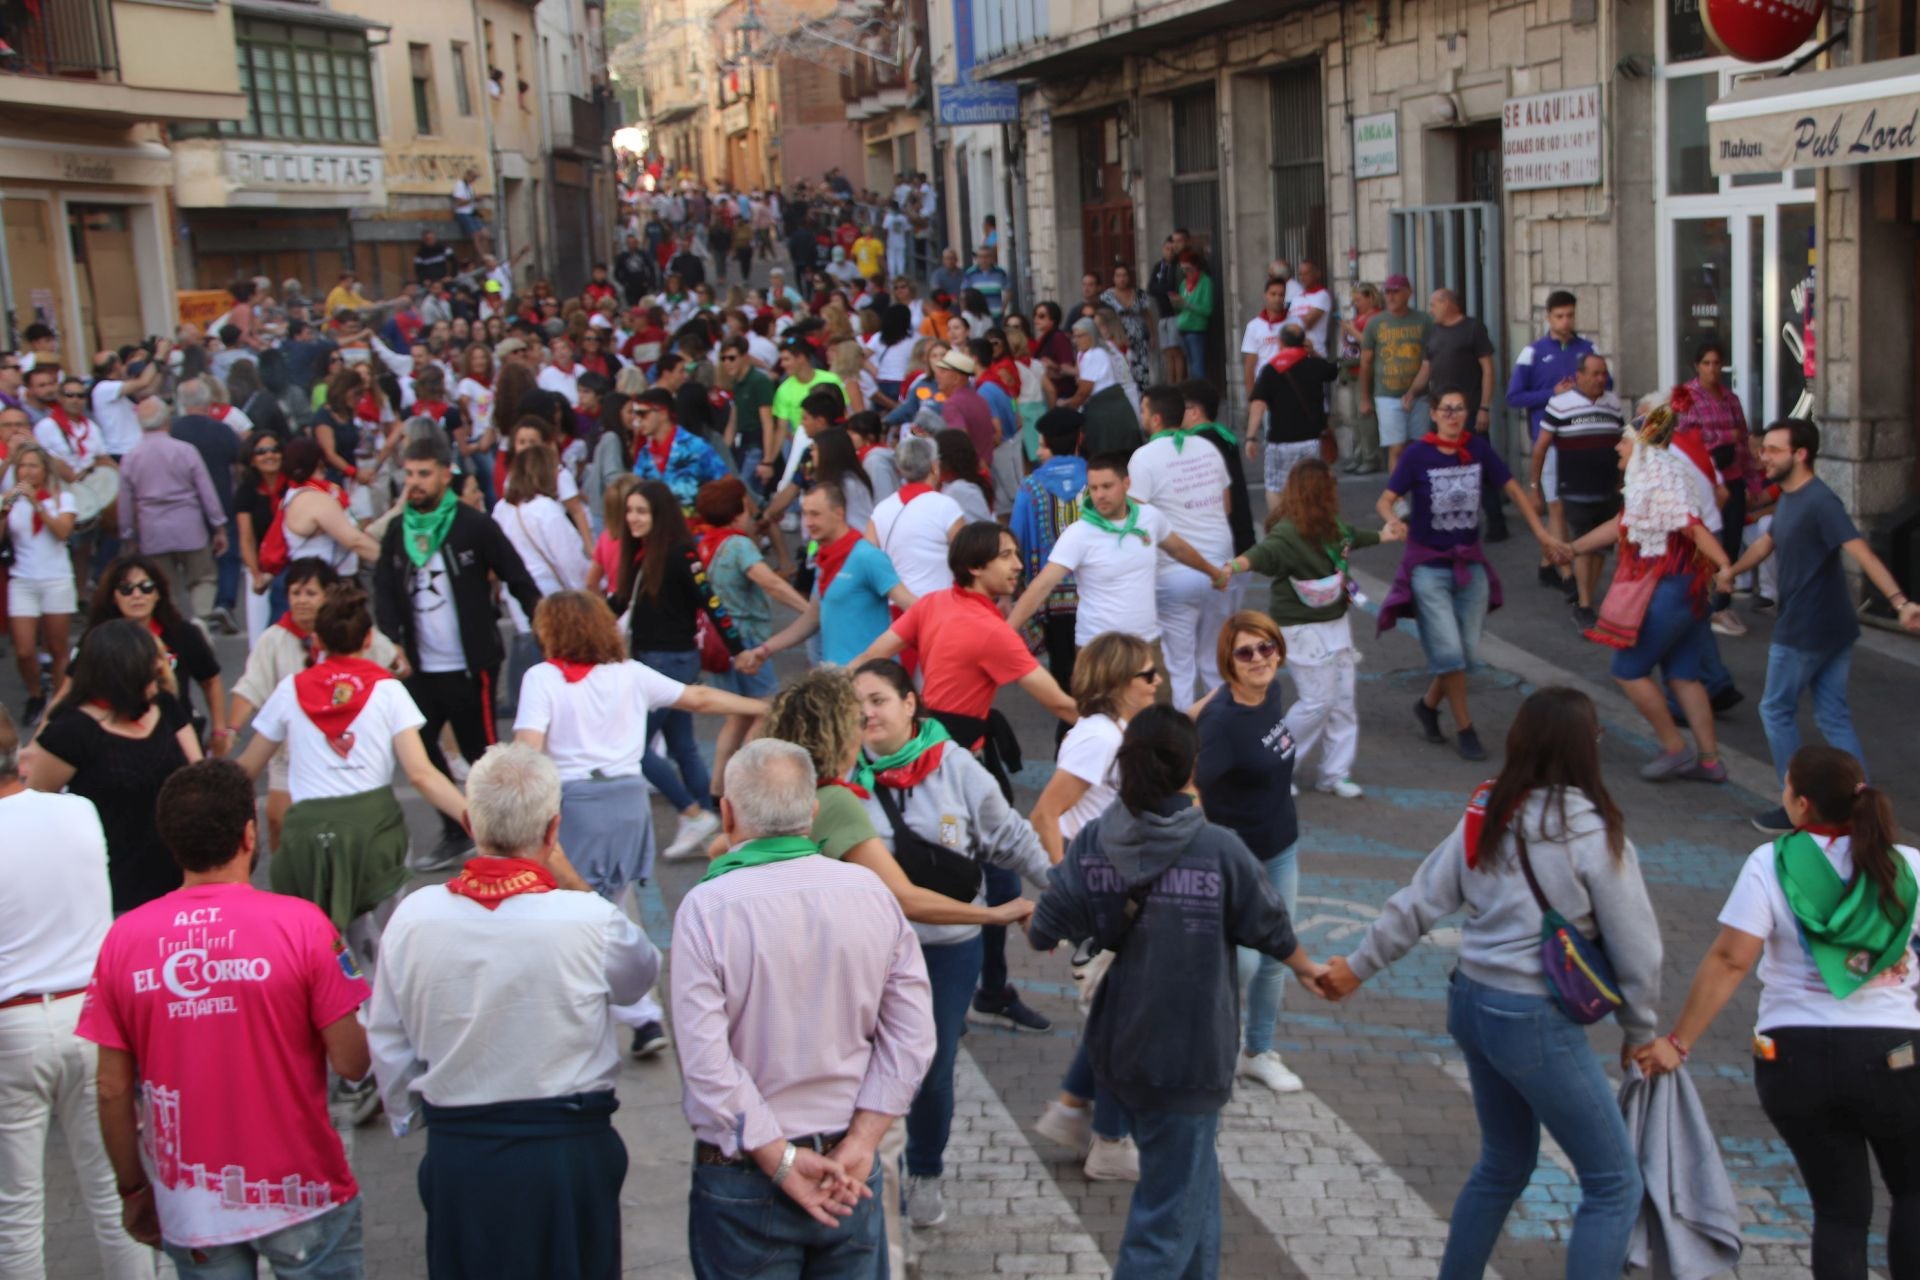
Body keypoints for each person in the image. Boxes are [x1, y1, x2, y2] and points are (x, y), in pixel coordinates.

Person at [1322, 687, 1661, 1280]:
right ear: (1587, 749)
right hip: (1535, 1020)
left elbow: (1423, 898)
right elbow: (1640, 949)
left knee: (1503, 1164)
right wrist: (1640, 1029)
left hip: (1471, 1001)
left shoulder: (1486, 810)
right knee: (1613, 1184)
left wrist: (1358, 965)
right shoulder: (1594, 833)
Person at [1028, 706, 1329, 1277]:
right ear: (1192, 769)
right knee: (1163, 1221)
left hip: (1120, 1049)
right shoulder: (1219, 849)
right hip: (1191, 1055)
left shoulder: (1095, 839)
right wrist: (1310, 970)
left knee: (1195, 1185)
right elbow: (1271, 928)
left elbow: (1046, 926)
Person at [367, 744, 660, 1280]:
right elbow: (638, 978)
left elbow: (387, 1037)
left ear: (469, 820)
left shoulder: (414, 917)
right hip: (568, 1151)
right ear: (554, 832)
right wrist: (574, 882)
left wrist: (410, 1114)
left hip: (463, 1149)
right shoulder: (588, 919)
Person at [78, 759, 372, 1280]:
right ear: (250, 833)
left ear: (170, 842)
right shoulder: (302, 925)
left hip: (192, 1208)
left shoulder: (123, 942)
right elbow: (352, 1063)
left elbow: (110, 1088)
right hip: (302, 1190)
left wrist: (133, 1188)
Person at [1637, 745, 1920, 1279]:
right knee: (1912, 1192)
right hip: (1895, 1054)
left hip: (1793, 1057)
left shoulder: (1770, 863)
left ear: (1803, 804)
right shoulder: (1908, 867)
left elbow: (1729, 959)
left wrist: (1677, 1043)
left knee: (1839, 1212)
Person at [671, 737, 937, 1277]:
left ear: (727, 813)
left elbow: (706, 1060)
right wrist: (864, 1140)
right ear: (812, 812)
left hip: (744, 1174)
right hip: (848, 1165)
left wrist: (778, 1156)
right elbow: (912, 1036)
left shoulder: (708, 907)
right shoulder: (869, 892)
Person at [513, 590, 767, 1058]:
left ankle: (598, 1014)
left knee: (572, 910)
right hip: (628, 804)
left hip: (573, 804)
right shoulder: (628, 675)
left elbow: (528, 748)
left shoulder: (543, 678)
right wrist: (763, 707)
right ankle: (641, 1012)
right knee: (612, 903)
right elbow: (700, 697)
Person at [849, 660, 1052, 1231]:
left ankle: (926, 1168)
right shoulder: (841, 774)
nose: (867, 712)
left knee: (931, 1066)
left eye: (879, 699)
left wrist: (1061, 898)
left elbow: (1011, 838)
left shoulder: (958, 770)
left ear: (910, 704)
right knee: (856, 1062)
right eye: (857, 702)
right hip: (866, 951)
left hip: (945, 948)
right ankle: (861, 1166)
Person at [235, 582, 466, 970]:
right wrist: (471, 816)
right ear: (369, 638)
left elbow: (247, 768)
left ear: (317, 640)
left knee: (314, 952)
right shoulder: (388, 690)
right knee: (385, 946)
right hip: (373, 829)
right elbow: (422, 774)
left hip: (306, 835)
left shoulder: (291, 689)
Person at [0, 705, 154, 1280]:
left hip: (13, 1027)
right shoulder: (79, 812)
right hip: (92, 1017)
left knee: (16, 1211)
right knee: (117, 1192)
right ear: (20, 758)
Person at [1717, 419, 1920, 831]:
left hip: (1806, 628)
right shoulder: (1790, 496)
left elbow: (1860, 551)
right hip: (1832, 627)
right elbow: (1766, 542)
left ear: (1800, 454)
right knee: (1832, 716)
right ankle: (1861, 808)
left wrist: (1900, 602)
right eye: (1764, 449)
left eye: (1773, 450)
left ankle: (1798, 804)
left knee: (1775, 709)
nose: (1763, 457)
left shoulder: (1820, 501)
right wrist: (1730, 572)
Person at [372, 435, 543, 870]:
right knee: (423, 750)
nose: (415, 483)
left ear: (447, 474)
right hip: (417, 668)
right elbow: (385, 592)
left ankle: (511, 837)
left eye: (424, 473)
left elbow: (516, 575)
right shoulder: (397, 532)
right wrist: (392, 639)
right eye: (409, 474)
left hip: (471, 666)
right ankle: (457, 830)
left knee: (482, 756)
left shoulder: (473, 525)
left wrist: (545, 625)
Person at [1375, 387, 1565, 761]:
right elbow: (1385, 499)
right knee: (1450, 653)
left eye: (1459, 408)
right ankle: (1466, 728)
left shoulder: (1477, 448)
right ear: (1433, 414)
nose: (1452, 414)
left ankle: (1428, 706)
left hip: (1469, 563)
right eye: (1446, 409)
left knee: (1464, 653)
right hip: (1428, 566)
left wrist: (1542, 533)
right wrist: (1392, 520)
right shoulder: (1417, 454)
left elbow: (1511, 488)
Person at [1227, 459, 1405, 799]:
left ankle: (1334, 774)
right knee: (1316, 702)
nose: (1335, 489)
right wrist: (1232, 567)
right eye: (1330, 484)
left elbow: (1352, 538)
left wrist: (1384, 535)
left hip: (1334, 622)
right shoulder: (1288, 532)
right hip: (1300, 628)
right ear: (1318, 491)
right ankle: (1273, 767)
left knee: (1342, 701)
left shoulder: (1329, 524)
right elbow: (1260, 554)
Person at [1187, 611, 1310, 1095]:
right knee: (1242, 965)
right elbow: (1190, 781)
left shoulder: (1270, 692)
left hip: (1281, 846)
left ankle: (1257, 1051)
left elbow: (1200, 705)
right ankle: (1204, 1047)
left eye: (1267, 648)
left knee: (1276, 952)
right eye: (1246, 652)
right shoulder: (1223, 724)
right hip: (1235, 861)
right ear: (1228, 662)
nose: (1260, 659)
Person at [1006, 451, 1227, 683]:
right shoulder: (1078, 534)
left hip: (1146, 645)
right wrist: (1007, 632)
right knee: (1100, 718)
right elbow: (1042, 586)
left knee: (1156, 718)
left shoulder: (1149, 518)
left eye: (1107, 486)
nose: (1099, 495)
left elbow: (1179, 549)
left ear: (1126, 484)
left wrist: (1214, 573)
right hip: (1098, 650)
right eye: (1093, 488)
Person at [228, 558, 401, 851]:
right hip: (287, 751)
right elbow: (252, 686)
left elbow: (389, 662)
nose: (301, 601)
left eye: (310, 593)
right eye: (295, 593)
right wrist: (230, 729)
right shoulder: (273, 640)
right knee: (280, 820)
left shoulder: (355, 634)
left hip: (344, 751)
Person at [615, 479, 734, 860]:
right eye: (630, 510)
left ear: (659, 515)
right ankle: (711, 819)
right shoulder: (640, 552)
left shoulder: (680, 553)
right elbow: (619, 602)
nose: (632, 518)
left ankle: (692, 811)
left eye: (641, 511)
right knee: (682, 744)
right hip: (656, 659)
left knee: (634, 748)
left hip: (667, 662)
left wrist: (740, 649)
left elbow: (711, 601)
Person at [1128, 386, 1237, 711]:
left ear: (1157, 418)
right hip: (1221, 567)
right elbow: (1226, 506)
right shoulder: (1207, 447)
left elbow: (1137, 523)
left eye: (1144, 411)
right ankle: (1223, 732)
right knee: (1214, 662)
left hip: (1175, 574)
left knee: (1179, 668)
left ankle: (1185, 745)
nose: (1142, 417)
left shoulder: (1144, 457)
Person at [744, 482, 916, 673]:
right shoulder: (825, 558)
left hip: (870, 681)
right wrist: (767, 648)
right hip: (837, 680)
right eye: (804, 513)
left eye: (815, 514)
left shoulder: (866, 556)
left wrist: (876, 656)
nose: (808, 522)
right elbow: (812, 618)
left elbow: (914, 609)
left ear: (839, 513)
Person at [1508, 290, 1600, 595]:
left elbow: (1605, 384)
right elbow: (1514, 397)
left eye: (1570, 315)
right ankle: (1566, 573)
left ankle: (1547, 564)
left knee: (1580, 509)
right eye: (1560, 316)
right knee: (1557, 507)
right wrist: (1552, 394)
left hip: (1583, 442)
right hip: (1547, 442)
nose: (1566, 321)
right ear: (1548, 317)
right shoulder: (1532, 352)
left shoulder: (1588, 349)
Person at [86, 554, 228, 749]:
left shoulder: (183, 633)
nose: (137, 595)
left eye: (146, 587)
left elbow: (210, 680)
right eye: (126, 589)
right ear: (113, 597)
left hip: (177, 734)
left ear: (158, 593)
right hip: (116, 738)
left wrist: (219, 729)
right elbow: (73, 690)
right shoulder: (96, 639)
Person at [1529, 353, 1625, 629]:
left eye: (1603, 373)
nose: (1600, 379)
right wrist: (1535, 487)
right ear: (1579, 375)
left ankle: (1588, 599)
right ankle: (1584, 604)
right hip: (1575, 488)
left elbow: (1622, 441)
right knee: (1584, 544)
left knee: (1598, 549)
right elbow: (1540, 449)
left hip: (1606, 488)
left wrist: (1621, 481)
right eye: (1595, 373)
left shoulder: (1613, 403)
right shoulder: (1560, 405)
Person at [493, 443, 591, 699]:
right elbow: (569, 558)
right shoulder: (547, 510)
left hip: (516, 596)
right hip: (551, 597)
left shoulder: (502, 508)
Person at [117, 397, 228, 621]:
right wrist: (219, 526)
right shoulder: (186, 451)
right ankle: (201, 618)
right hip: (189, 527)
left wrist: (128, 535)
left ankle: (173, 628)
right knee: (203, 577)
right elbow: (206, 491)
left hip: (153, 531)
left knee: (163, 585)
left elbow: (125, 502)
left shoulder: (130, 458)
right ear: (167, 421)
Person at [1406, 289, 1503, 538]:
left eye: (1433, 304)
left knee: (1483, 466)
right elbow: (1426, 368)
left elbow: (1488, 369)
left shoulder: (1473, 329)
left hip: (1468, 413)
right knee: (1437, 464)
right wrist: (1412, 392)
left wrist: (1484, 406)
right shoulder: (1435, 333)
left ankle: (1496, 522)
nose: (1430, 309)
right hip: (1440, 414)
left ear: (1448, 304)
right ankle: (1437, 519)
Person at [1676, 340, 1758, 637]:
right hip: (1704, 480)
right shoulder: (1687, 396)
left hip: (1732, 475)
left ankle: (1721, 604)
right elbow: (1687, 437)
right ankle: (1699, 600)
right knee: (1706, 539)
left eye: (1716, 363)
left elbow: (1744, 440)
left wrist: (1752, 481)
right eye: (1706, 363)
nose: (1712, 369)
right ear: (1697, 366)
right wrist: (1726, 434)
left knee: (1731, 540)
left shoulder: (1730, 398)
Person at [1008, 410, 1087, 694]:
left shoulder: (1031, 487)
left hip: (1050, 596)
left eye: (1040, 444)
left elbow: (1016, 540)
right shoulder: (1098, 480)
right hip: (1095, 590)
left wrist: (1016, 589)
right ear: (1080, 438)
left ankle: (1070, 717)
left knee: (1063, 663)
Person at [4, 443, 76, 722]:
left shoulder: (62, 498)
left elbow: (62, 532)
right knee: (23, 650)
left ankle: (59, 701)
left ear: (45, 470)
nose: (27, 471)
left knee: (57, 648)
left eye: (33, 465)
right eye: (22, 466)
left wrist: (37, 503)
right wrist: (4, 508)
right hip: (22, 579)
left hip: (56, 579)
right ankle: (36, 695)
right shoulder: (9, 499)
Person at [1244, 323, 1338, 516]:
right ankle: (1312, 529)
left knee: (1275, 487)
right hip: (1312, 441)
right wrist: (1314, 352)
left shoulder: (1270, 370)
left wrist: (1251, 437)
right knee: (1313, 490)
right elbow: (1334, 370)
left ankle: (1281, 530)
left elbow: (1258, 404)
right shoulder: (1315, 365)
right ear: (1303, 342)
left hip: (1280, 441)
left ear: (1280, 342)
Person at [865, 434, 966, 599]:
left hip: (896, 609)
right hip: (941, 605)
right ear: (935, 467)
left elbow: (869, 562)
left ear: (901, 470)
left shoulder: (880, 511)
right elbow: (965, 558)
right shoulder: (946, 506)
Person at [276, 436, 378, 578]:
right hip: (324, 585)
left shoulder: (295, 494)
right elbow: (355, 541)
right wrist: (393, 561)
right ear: (318, 462)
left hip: (313, 579)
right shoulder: (314, 499)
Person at [1173, 252, 1213, 379]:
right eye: (1183, 269)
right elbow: (1181, 307)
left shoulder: (1205, 282)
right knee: (1190, 366)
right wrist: (1176, 303)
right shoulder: (1184, 284)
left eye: (1188, 268)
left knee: (1198, 366)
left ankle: (1200, 394)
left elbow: (1207, 309)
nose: (1186, 272)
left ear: (1196, 266)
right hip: (1183, 327)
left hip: (1196, 329)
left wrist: (1187, 304)